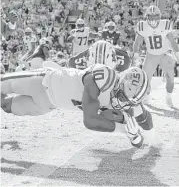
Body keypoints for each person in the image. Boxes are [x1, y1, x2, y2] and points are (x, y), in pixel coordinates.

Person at [1, 63, 152, 148]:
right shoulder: (104, 77)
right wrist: (124, 129)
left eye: (128, 100)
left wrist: (135, 136)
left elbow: (147, 124)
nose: (123, 102)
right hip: (42, 82)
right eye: (123, 96)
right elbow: (90, 121)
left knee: (6, 106)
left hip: (48, 105)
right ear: (123, 80)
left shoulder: (126, 102)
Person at [133, 5, 179, 94]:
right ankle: (146, 97)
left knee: (171, 80)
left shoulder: (165, 24)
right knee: (145, 81)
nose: (153, 18)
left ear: (159, 16)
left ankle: (168, 96)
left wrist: (177, 53)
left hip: (165, 54)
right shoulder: (143, 26)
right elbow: (137, 42)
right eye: (150, 16)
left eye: (155, 16)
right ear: (146, 16)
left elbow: (172, 41)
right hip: (151, 55)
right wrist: (136, 54)